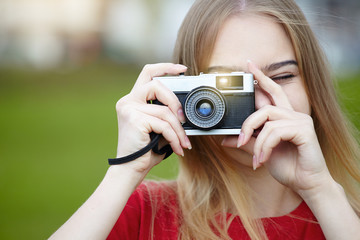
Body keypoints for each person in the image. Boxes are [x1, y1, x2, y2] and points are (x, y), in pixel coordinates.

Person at [50, 0, 360, 239]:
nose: (259, 103)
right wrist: (126, 171)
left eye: (281, 76)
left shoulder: (344, 215)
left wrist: (320, 190)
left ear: (313, 87)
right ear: (184, 95)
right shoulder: (147, 213)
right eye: (227, 86)